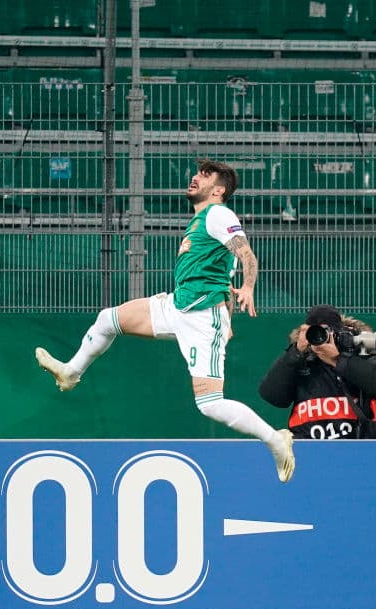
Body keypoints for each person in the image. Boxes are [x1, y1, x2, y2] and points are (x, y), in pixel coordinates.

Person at [33, 159, 295, 483]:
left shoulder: (218, 214)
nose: (195, 177)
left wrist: (248, 289)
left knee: (210, 405)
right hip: (178, 306)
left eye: (205, 174)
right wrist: (229, 309)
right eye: (197, 171)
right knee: (107, 320)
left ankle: (275, 440)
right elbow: (221, 273)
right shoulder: (200, 221)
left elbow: (246, 255)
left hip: (201, 318)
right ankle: (71, 373)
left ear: (219, 189)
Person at [258, 304, 376, 440]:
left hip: (358, 450)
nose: (321, 338)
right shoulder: (301, 360)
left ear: (337, 333)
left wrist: (338, 360)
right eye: (314, 332)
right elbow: (272, 396)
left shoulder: (360, 354)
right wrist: (296, 352)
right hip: (307, 450)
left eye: (326, 332)